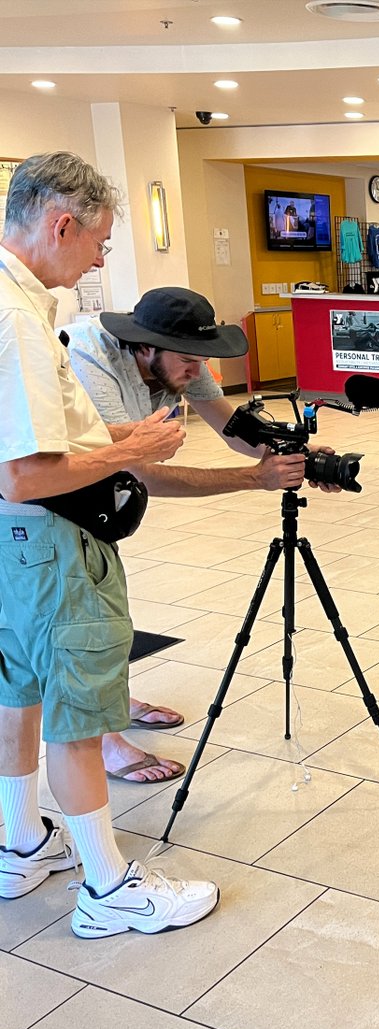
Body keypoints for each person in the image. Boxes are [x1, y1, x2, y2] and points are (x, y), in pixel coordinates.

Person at [0, 151, 219, 935]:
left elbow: (38, 440)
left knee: (18, 691)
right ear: (61, 223)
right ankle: (108, 887)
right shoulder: (19, 320)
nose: (99, 261)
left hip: (13, 550)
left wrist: (121, 436)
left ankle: (22, 843)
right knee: (77, 716)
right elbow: (25, 474)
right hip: (53, 543)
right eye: (98, 242)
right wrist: (136, 451)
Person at [61, 286, 342, 783]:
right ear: (146, 347)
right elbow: (140, 472)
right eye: (189, 362)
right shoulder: (89, 360)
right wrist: (254, 479)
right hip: (42, 500)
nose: (198, 371)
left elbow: (233, 427)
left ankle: (114, 700)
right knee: (79, 618)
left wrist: (292, 451)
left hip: (95, 505)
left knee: (109, 605)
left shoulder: (178, 356)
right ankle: (104, 742)